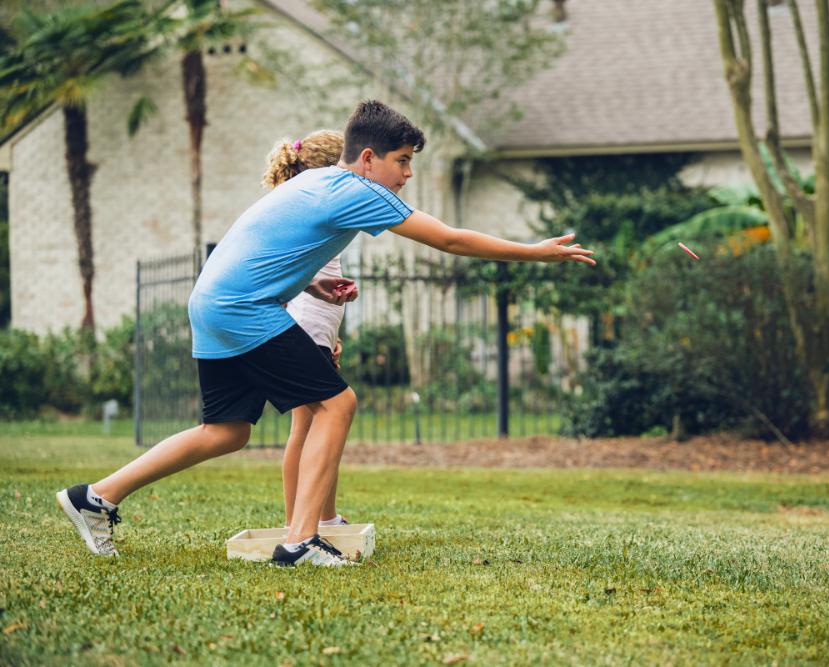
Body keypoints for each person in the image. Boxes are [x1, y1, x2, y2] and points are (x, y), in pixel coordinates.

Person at [56, 100, 595, 568]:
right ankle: (301, 540)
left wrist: (315, 292)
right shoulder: (355, 190)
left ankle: (96, 496)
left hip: (213, 302)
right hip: (245, 309)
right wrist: (535, 251)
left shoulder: (314, 181)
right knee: (337, 405)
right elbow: (450, 240)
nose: (407, 175)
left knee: (226, 431)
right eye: (402, 162)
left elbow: (265, 250)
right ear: (368, 159)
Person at [262, 130, 354, 530]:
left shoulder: (319, 211)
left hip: (316, 329)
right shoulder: (308, 212)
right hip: (303, 325)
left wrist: (328, 335)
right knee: (307, 426)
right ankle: (297, 522)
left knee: (321, 425)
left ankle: (325, 516)